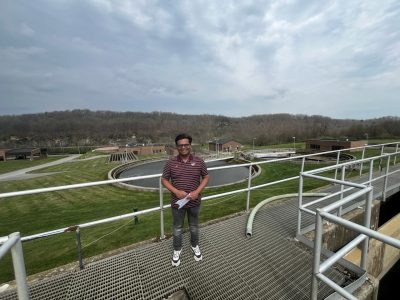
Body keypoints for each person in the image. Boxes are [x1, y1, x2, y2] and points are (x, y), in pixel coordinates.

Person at [161, 133, 209, 267]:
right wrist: (176, 191)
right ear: (177, 147)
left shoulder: (199, 161)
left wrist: (197, 192)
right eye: (180, 145)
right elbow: (164, 179)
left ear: (190, 145)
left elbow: (206, 177)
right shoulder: (170, 163)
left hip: (194, 202)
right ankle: (177, 249)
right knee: (177, 228)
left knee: (194, 226)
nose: (183, 147)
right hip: (178, 204)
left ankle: (195, 246)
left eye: (186, 144)